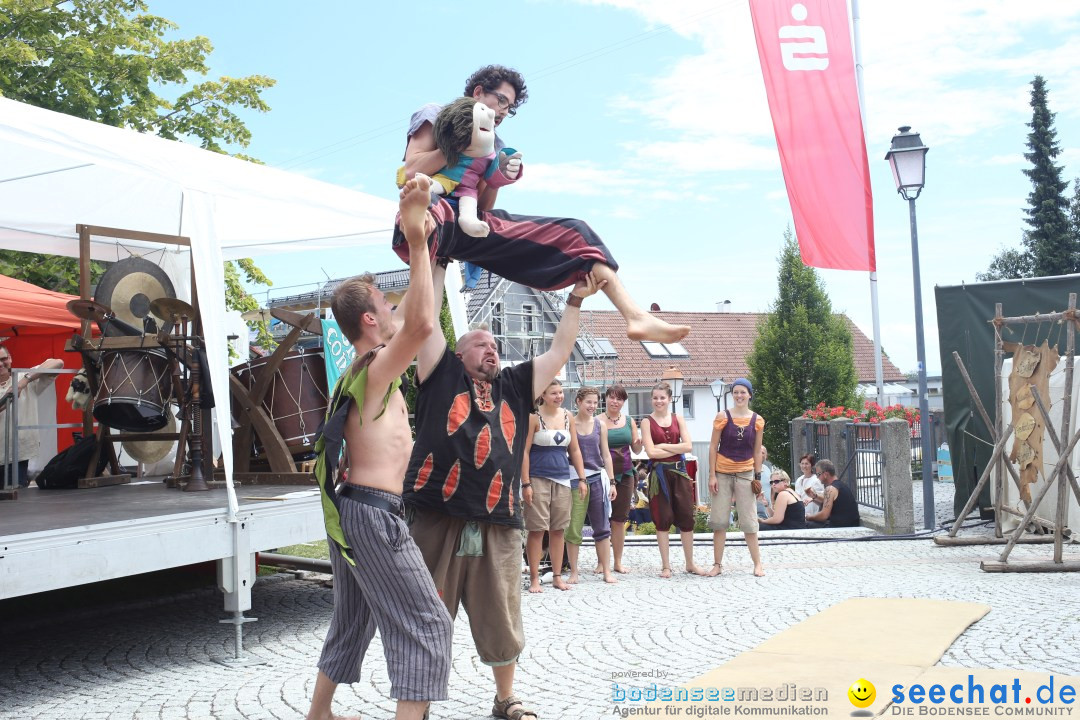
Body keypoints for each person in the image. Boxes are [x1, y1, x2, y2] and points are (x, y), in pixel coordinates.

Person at [403, 249, 604, 720]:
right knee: (428, 616)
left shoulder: (516, 383)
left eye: (493, 344)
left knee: (501, 612)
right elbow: (425, 318)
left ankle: (505, 698)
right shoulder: (438, 373)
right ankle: (419, 702)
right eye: (478, 343)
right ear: (458, 353)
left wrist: (573, 301)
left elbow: (558, 353)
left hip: (498, 519)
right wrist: (435, 259)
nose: (489, 348)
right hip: (437, 516)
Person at [392, 64, 689, 344]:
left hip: (467, 221)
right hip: (428, 204)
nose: (503, 112)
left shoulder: (492, 143)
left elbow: (482, 206)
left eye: (509, 109)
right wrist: (460, 147)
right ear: (478, 92)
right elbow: (411, 171)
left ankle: (635, 316)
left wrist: (496, 176)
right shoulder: (436, 115)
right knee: (431, 207)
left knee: (576, 232)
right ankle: (401, 317)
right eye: (501, 101)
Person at [305, 175, 452, 720]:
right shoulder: (375, 366)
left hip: (356, 509)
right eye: (383, 306)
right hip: (373, 513)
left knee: (353, 620)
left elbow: (413, 317)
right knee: (427, 624)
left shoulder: (361, 372)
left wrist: (427, 252)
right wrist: (417, 242)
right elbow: (422, 324)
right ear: (369, 320)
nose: (392, 311)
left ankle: (318, 715)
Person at [522, 379, 585, 593]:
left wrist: (582, 478)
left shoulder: (568, 417)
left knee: (559, 529)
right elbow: (524, 451)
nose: (559, 396)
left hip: (562, 479)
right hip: (538, 477)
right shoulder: (533, 417)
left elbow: (574, 450)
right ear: (543, 395)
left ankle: (557, 576)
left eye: (560, 392)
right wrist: (526, 483)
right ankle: (534, 578)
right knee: (537, 529)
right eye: (554, 393)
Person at [640, 381, 706, 578]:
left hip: (679, 473)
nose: (658, 401)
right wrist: (672, 447)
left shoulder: (678, 419)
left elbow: (688, 447)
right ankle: (666, 565)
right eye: (655, 397)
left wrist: (663, 446)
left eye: (662, 397)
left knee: (686, 517)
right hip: (659, 476)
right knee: (662, 518)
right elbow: (650, 452)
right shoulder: (646, 422)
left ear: (669, 399)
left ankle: (690, 563)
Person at [707, 378, 765, 578]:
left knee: (749, 521)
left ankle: (757, 564)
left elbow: (757, 451)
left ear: (749, 394)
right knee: (719, 521)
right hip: (722, 472)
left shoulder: (757, 420)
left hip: (745, 473)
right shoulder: (722, 417)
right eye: (736, 392)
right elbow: (713, 446)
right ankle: (717, 564)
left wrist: (757, 478)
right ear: (732, 395)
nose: (739, 396)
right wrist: (711, 475)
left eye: (743, 392)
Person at [565, 386, 618, 585]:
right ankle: (574, 572)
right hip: (574, 480)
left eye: (596, 402)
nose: (592, 406)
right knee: (573, 528)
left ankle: (606, 570)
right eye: (589, 402)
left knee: (602, 527)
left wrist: (612, 482)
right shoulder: (569, 423)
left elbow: (606, 455)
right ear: (578, 401)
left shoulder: (600, 425)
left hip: (597, 478)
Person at [0, 347, 63, 488]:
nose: (0, 364)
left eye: (3, 359)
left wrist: (23, 382)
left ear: (10, 358)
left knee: (16, 501)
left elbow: (57, 363)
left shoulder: (24, 376)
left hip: (16, 455)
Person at [600, 384, 641, 573]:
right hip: (602, 474)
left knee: (618, 519)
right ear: (606, 398)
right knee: (601, 519)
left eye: (619, 398)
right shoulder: (597, 420)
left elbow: (637, 450)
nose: (615, 401)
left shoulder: (629, 421)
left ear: (624, 402)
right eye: (612, 397)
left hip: (625, 474)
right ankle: (602, 562)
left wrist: (639, 443)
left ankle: (617, 561)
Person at [806, 459, 861, 528]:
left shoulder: (830, 489)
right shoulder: (841, 485)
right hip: (851, 525)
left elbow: (824, 515)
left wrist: (809, 517)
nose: (817, 477)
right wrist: (814, 497)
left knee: (806, 524)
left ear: (825, 474)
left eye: (818, 474)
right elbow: (826, 503)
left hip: (841, 528)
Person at [755, 445, 775, 519]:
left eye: (763, 453)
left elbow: (772, 487)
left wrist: (772, 502)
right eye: (759, 452)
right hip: (753, 512)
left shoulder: (767, 469)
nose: (761, 454)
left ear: (766, 456)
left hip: (767, 511)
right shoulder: (749, 470)